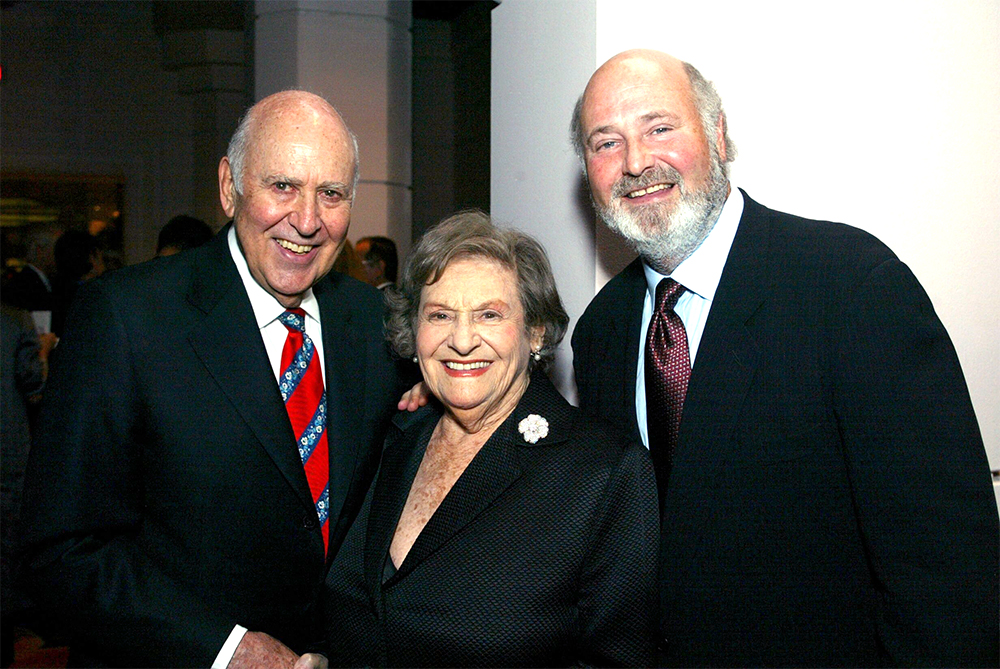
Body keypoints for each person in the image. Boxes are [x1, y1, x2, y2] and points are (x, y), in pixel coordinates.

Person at [570, 49, 998, 667]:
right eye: (605, 143)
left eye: (660, 128)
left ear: (718, 133)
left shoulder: (850, 286)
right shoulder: (602, 331)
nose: (636, 163)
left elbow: (947, 565)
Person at [17, 90, 405, 668]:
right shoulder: (127, 316)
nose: (306, 220)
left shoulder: (374, 322)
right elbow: (64, 548)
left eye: (331, 194)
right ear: (229, 187)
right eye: (282, 186)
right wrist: (227, 651)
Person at [325, 211, 659, 667]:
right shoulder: (392, 436)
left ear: (534, 331)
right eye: (440, 314)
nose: (462, 340)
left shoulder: (602, 474)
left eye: (489, 314)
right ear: (414, 331)